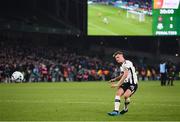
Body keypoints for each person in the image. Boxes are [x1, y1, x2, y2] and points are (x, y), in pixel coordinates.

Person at [108, 51, 138, 116]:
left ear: (122, 55)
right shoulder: (122, 66)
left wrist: (117, 84)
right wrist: (114, 79)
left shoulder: (127, 63)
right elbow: (122, 75)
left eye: (118, 57)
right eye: (116, 58)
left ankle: (125, 109)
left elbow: (125, 75)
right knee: (118, 93)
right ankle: (116, 111)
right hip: (126, 83)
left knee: (126, 96)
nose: (117, 59)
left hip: (133, 83)